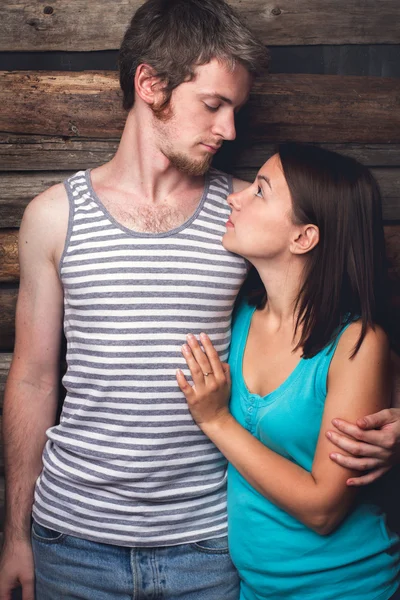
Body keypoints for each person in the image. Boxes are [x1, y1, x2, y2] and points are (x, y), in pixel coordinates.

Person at [0, 0, 399, 598]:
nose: (229, 129)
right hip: (72, 539)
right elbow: (32, 379)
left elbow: (337, 311)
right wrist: (15, 535)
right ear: (150, 83)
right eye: (213, 104)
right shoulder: (55, 217)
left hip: (210, 547)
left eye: (235, 109)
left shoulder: (245, 214)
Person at [177, 143, 400, 600]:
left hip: (346, 587)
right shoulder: (238, 317)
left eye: (260, 191)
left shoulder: (357, 343)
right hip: (255, 589)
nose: (234, 198)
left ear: (304, 237)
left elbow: (323, 509)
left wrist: (217, 421)